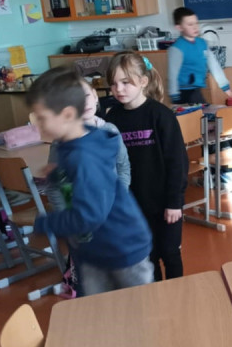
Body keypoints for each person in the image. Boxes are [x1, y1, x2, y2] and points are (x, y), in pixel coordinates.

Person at [27, 67, 154, 296]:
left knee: (138, 308)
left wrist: (46, 223)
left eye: (42, 119)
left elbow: (89, 215)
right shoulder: (71, 143)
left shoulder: (83, 157)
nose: (39, 127)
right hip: (95, 247)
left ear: (67, 115)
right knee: (98, 308)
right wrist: (57, 174)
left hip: (122, 249)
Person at [105, 52, 187, 280]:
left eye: (126, 82)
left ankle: (177, 295)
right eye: (113, 84)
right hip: (133, 205)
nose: (119, 89)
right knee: (147, 257)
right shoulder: (112, 120)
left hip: (165, 203)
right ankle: (156, 297)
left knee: (170, 252)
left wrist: (174, 202)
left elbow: (177, 163)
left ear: (143, 81)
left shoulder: (161, 115)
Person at [167, 7, 232, 105]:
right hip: (182, 93)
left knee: (204, 110)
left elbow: (214, 66)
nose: (195, 27)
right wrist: (175, 98)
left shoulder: (202, 43)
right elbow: (172, 75)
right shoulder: (177, 48)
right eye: (190, 24)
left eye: (196, 23)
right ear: (179, 27)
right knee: (202, 112)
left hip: (196, 90)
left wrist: (226, 88)